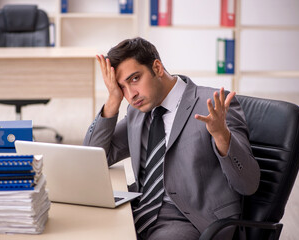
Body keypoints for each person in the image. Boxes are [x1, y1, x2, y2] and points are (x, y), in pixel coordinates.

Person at [83, 37, 260, 240]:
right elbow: (94, 158)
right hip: (140, 207)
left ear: (157, 68)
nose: (131, 95)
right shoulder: (137, 111)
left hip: (188, 219)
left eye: (134, 79)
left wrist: (222, 136)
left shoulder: (213, 106)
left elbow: (248, 184)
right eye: (122, 86)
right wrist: (113, 99)